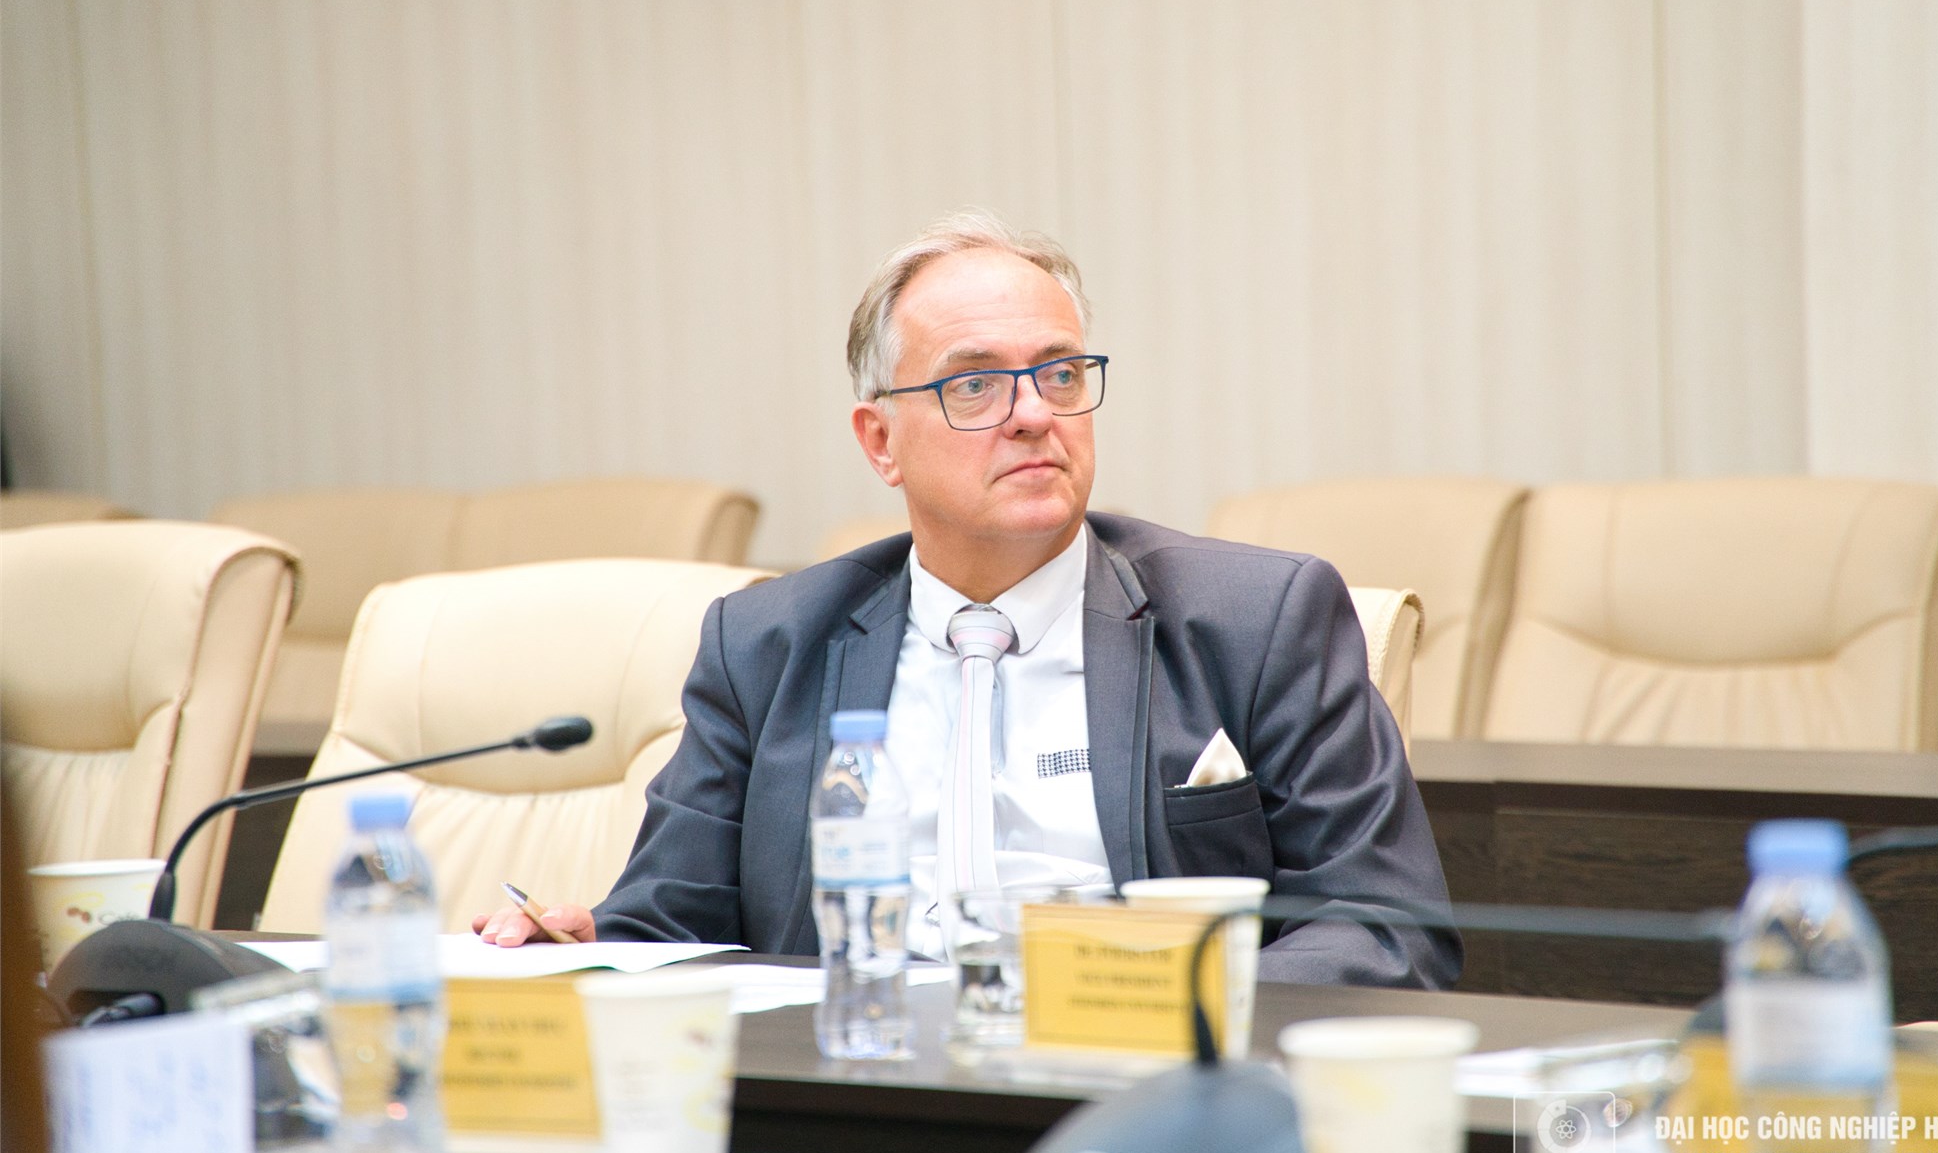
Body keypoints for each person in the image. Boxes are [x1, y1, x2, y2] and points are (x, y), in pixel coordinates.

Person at [476, 211, 1461, 988]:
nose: (1033, 414)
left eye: (1059, 374)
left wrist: (1151, 1006)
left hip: (1135, 1087)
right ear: (881, 442)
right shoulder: (767, 646)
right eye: (976, 386)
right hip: (855, 1100)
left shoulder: (1257, 620)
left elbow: (1385, 930)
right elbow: (672, 918)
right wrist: (585, 943)